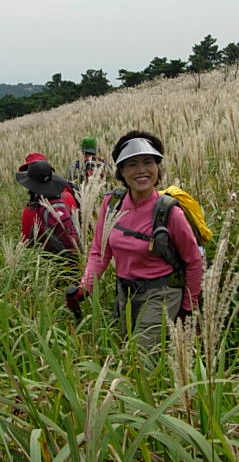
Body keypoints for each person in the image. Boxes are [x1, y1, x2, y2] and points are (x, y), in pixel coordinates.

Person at [68, 131, 203, 347]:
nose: (141, 171)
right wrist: (85, 287)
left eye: (148, 162)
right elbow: (100, 252)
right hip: (125, 294)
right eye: (131, 164)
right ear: (121, 171)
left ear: (157, 168)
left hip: (162, 293)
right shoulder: (112, 204)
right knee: (128, 349)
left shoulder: (169, 211)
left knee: (141, 355)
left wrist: (188, 307)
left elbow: (194, 260)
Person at [16, 152, 82, 255]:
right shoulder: (69, 196)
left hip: (51, 264)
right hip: (78, 256)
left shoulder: (30, 211)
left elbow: (27, 245)